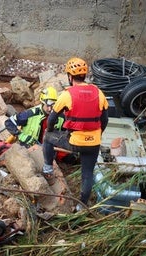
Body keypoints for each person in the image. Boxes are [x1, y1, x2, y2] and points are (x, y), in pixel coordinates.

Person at [42, 57, 109, 210]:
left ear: (70, 77)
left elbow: (52, 119)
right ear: (84, 76)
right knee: (87, 174)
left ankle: (47, 169)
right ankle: (81, 207)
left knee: (48, 136)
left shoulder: (67, 94)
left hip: (74, 142)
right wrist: (98, 134)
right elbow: (105, 120)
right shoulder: (99, 93)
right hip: (93, 143)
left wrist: (51, 130)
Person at [5, 86, 78, 164]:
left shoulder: (60, 117)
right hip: (30, 146)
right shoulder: (30, 114)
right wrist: (21, 135)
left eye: (52, 106)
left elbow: (66, 133)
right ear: (42, 102)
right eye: (47, 106)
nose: (50, 109)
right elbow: (9, 122)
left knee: (72, 158)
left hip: (51, 146)